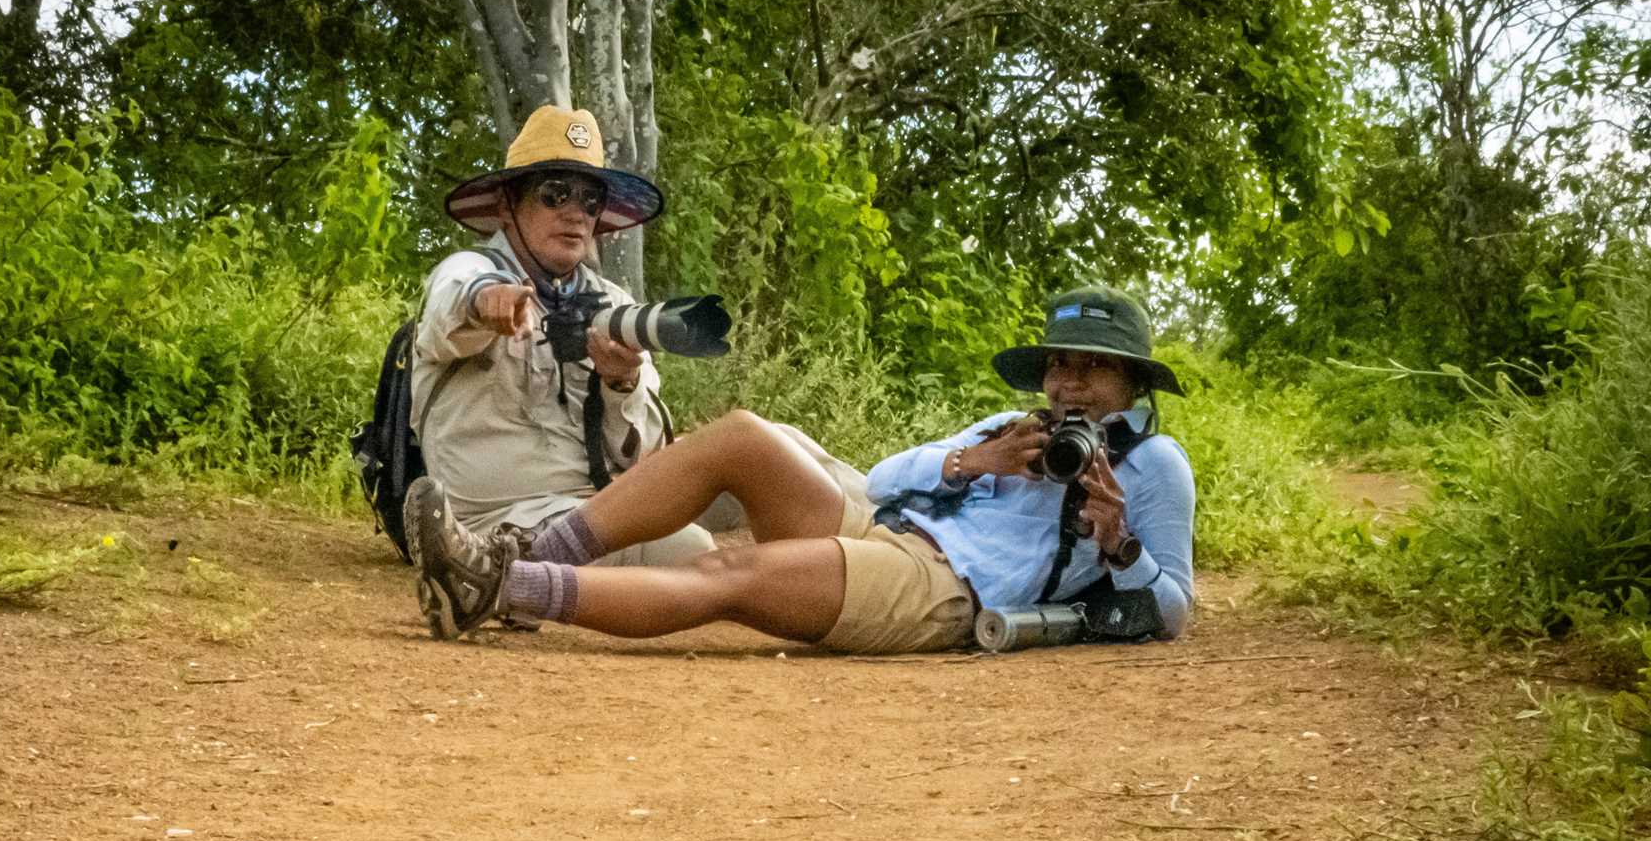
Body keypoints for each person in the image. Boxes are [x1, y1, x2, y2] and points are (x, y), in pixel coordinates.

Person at [405, 284, 1196, 654]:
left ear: (1132, 382)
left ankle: (500, 591)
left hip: (951, 588)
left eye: (1092, 369)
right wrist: (971, 459)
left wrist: (1120, 546)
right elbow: (885, 481)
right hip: (892, 527)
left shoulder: (1154, 464)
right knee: (742, 437)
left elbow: (1173, 610)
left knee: (734, 570)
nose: (1068, 385)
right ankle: (524, 553)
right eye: (1059, 366)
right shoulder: (1017, 426)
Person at [415, 104, 710, 567]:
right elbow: (451, 308)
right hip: (493, 514)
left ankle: (856, 525)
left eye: (590, 201)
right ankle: (484, 563)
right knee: (691, 551)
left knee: (753, 463)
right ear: (505, 206)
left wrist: (622, 385)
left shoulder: (612, 301)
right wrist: (486, 304)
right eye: (555, 194)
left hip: (592, 505)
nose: (575, 213)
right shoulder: (469, 270)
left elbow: (647, 460)